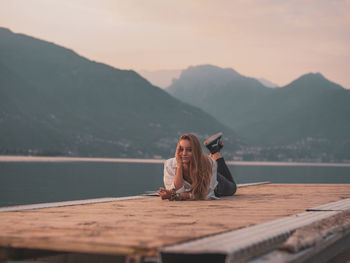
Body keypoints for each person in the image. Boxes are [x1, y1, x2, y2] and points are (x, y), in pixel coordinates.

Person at [157, 133, 237, 201]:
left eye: (189, 150)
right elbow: (176, 192)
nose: (184, 153)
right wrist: (179, 166)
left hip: (215, 184)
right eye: (181, 149)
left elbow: (206, 194)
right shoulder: (170, 164)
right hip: (204, 165)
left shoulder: (209, 163)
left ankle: (215, 151)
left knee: (233, 188)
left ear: (196, 151)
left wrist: (179, 195)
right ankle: (215, 150)